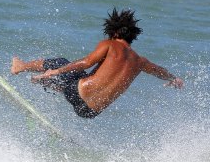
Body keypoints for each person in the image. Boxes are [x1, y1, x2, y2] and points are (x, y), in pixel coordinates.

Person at [11, 8, 183, 119]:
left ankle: (22, 67)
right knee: (79, 80)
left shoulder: (110, 44)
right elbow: (159, 71)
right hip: (89, 112)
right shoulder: (140, 62)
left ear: (114, 32)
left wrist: (55, 71)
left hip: (77, 93)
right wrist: (174, 78)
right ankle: (44, 81)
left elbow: (86, 62)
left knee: (62, 63)